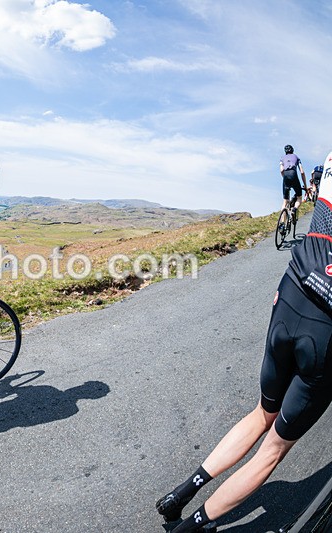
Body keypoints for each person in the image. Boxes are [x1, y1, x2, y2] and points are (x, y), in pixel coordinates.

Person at [156, 151, 332, 531]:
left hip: (291, 295)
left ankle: (180, 495)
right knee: (273, 449)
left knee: (261, 414)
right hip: (326, 332)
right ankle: (193, 528)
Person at [279, 144, 307, 213]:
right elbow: (302, 172)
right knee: (299, 197)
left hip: (285, 176)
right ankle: (294, 209)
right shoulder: (296, 157)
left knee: (285, 201)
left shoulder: (282, 158)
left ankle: (282, 222)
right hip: (293, 174)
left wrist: (285, 179)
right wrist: (305, 186)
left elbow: (281, 170)